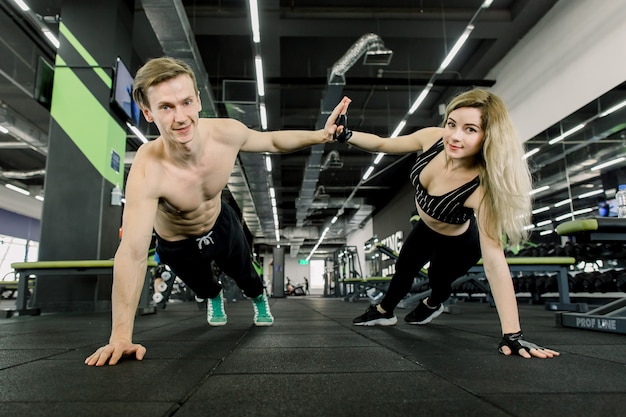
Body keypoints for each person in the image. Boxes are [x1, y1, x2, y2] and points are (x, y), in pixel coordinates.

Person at [85, 57, 347, 366]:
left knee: (247, 275)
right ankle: (213, 296)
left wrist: (320, 135)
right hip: (177, 243)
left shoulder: (225, 133)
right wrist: (120, 337)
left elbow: (273, 140)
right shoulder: (147, 169)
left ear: (197, 100)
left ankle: (259, 299)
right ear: (148, 113)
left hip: (219, 223)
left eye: (185, 102)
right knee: (203, 286)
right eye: (166, 107)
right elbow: (132, 252)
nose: (180, 117)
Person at [336, 89, 559, 359]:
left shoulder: (482, 189)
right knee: (404, 265)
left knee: (438, 280)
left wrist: (512, 334)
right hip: (426, 227)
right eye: (452, 124)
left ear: (489, 136)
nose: (455, 135)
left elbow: (495, 263)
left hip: (460, 242)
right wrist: (347, 134)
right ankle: (384, 311)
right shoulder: (433, 139)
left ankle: (433, 303)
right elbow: (383, 144)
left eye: (470, 129)